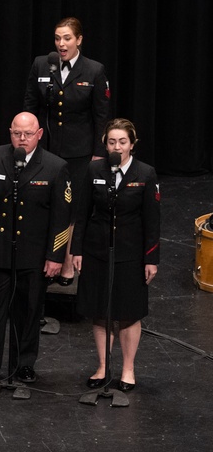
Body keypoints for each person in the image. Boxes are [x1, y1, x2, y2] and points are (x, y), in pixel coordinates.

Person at [0, 112, 71, 385]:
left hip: (34, 254)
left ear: (39, 134)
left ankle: (23, 364)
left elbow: (62, 217)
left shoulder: (55, 167)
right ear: (10, 133)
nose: (22, 139)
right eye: (17, 134)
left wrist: (55, 256)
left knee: (29, 310)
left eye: (28, 134)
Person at [72, 118, 160, 392]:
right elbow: (82, 212)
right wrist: (76, 250)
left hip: (131, 254)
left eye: (122, 142)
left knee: (129, 313)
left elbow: (152, 220)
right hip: (97, 250)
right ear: (105, 144)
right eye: (112, 142)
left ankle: (128, 369)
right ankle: (102, 365)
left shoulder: (145, 174)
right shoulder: (95, 169)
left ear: (132, 145)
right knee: (100, 311)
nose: (117, 147)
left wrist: (151, 259)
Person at [23, 17, 110, 284]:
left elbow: (101, 116)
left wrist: (98, 153)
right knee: (44, 202)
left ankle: (68, 263)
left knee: (72, 207)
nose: (61, 44)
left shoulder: (93, 70)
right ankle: (45, 256)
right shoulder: (42, 64)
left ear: (79, 40)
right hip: (46, 148)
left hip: (79, 151)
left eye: (67, 38)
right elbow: (30, 103)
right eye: (58, 38)